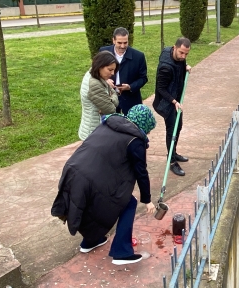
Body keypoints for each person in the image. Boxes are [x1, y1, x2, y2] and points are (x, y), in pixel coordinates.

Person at [52, 104, 157, 265]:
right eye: (149, 129)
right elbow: (141, 172)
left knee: (90, 206)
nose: (148, 133)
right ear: (144, 125)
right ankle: (122, 252)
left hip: (73, 169)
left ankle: (91, 241)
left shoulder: (110, 123)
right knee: (129, 203)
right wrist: (147, 200)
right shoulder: (135, 140)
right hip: (91, 178)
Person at [153, 37, 192, 177]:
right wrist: (174, 102)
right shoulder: (165, 67)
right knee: (172, 130)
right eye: (181, 53)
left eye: (186, 54)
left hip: (176, 100)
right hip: (166, 102)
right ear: (174, 48)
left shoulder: (176, 55)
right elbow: (161, 89)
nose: (183, 56)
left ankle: (173, 153)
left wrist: (185, 67)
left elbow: (180, 63)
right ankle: (172, 162)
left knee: (178, 125)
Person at [99, 27, 148, 115]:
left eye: (125, 43)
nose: (122, 46)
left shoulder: (138, 56)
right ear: (113, 40)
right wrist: (105, 80)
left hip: (131, 99)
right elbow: (96, 72)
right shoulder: (103, 52)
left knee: (132, 127)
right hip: (108, 98)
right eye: (119, 43)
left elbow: (143, 78)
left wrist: (130, 87)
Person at [78, 51, 120, 141]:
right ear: (100, 66)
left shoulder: (94, 74)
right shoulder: (94, 84)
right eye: (110, 69)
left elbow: (112, 91)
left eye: (114, 70)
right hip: (93, 134)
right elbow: (111, 109)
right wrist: (112, 98)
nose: (113, 73)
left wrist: (109, 97)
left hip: (95, 131)